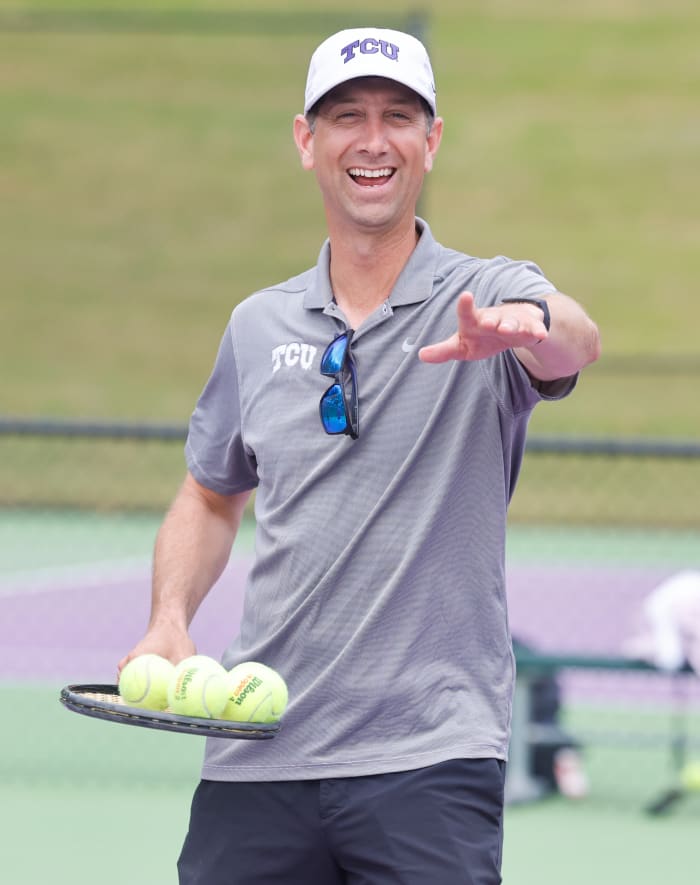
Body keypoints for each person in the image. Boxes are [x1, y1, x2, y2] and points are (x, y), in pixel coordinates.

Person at [119, 27, 601, 884]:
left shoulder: (483, 296)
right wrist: (169, 617)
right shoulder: (257, 324)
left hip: (430, 756)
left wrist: (532, 330)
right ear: (307, 141)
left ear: (432, 141)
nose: (373, 141)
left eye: (397, 117)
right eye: (347, 117)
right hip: (256, 752)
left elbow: (574, 341)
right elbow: (208, 495)